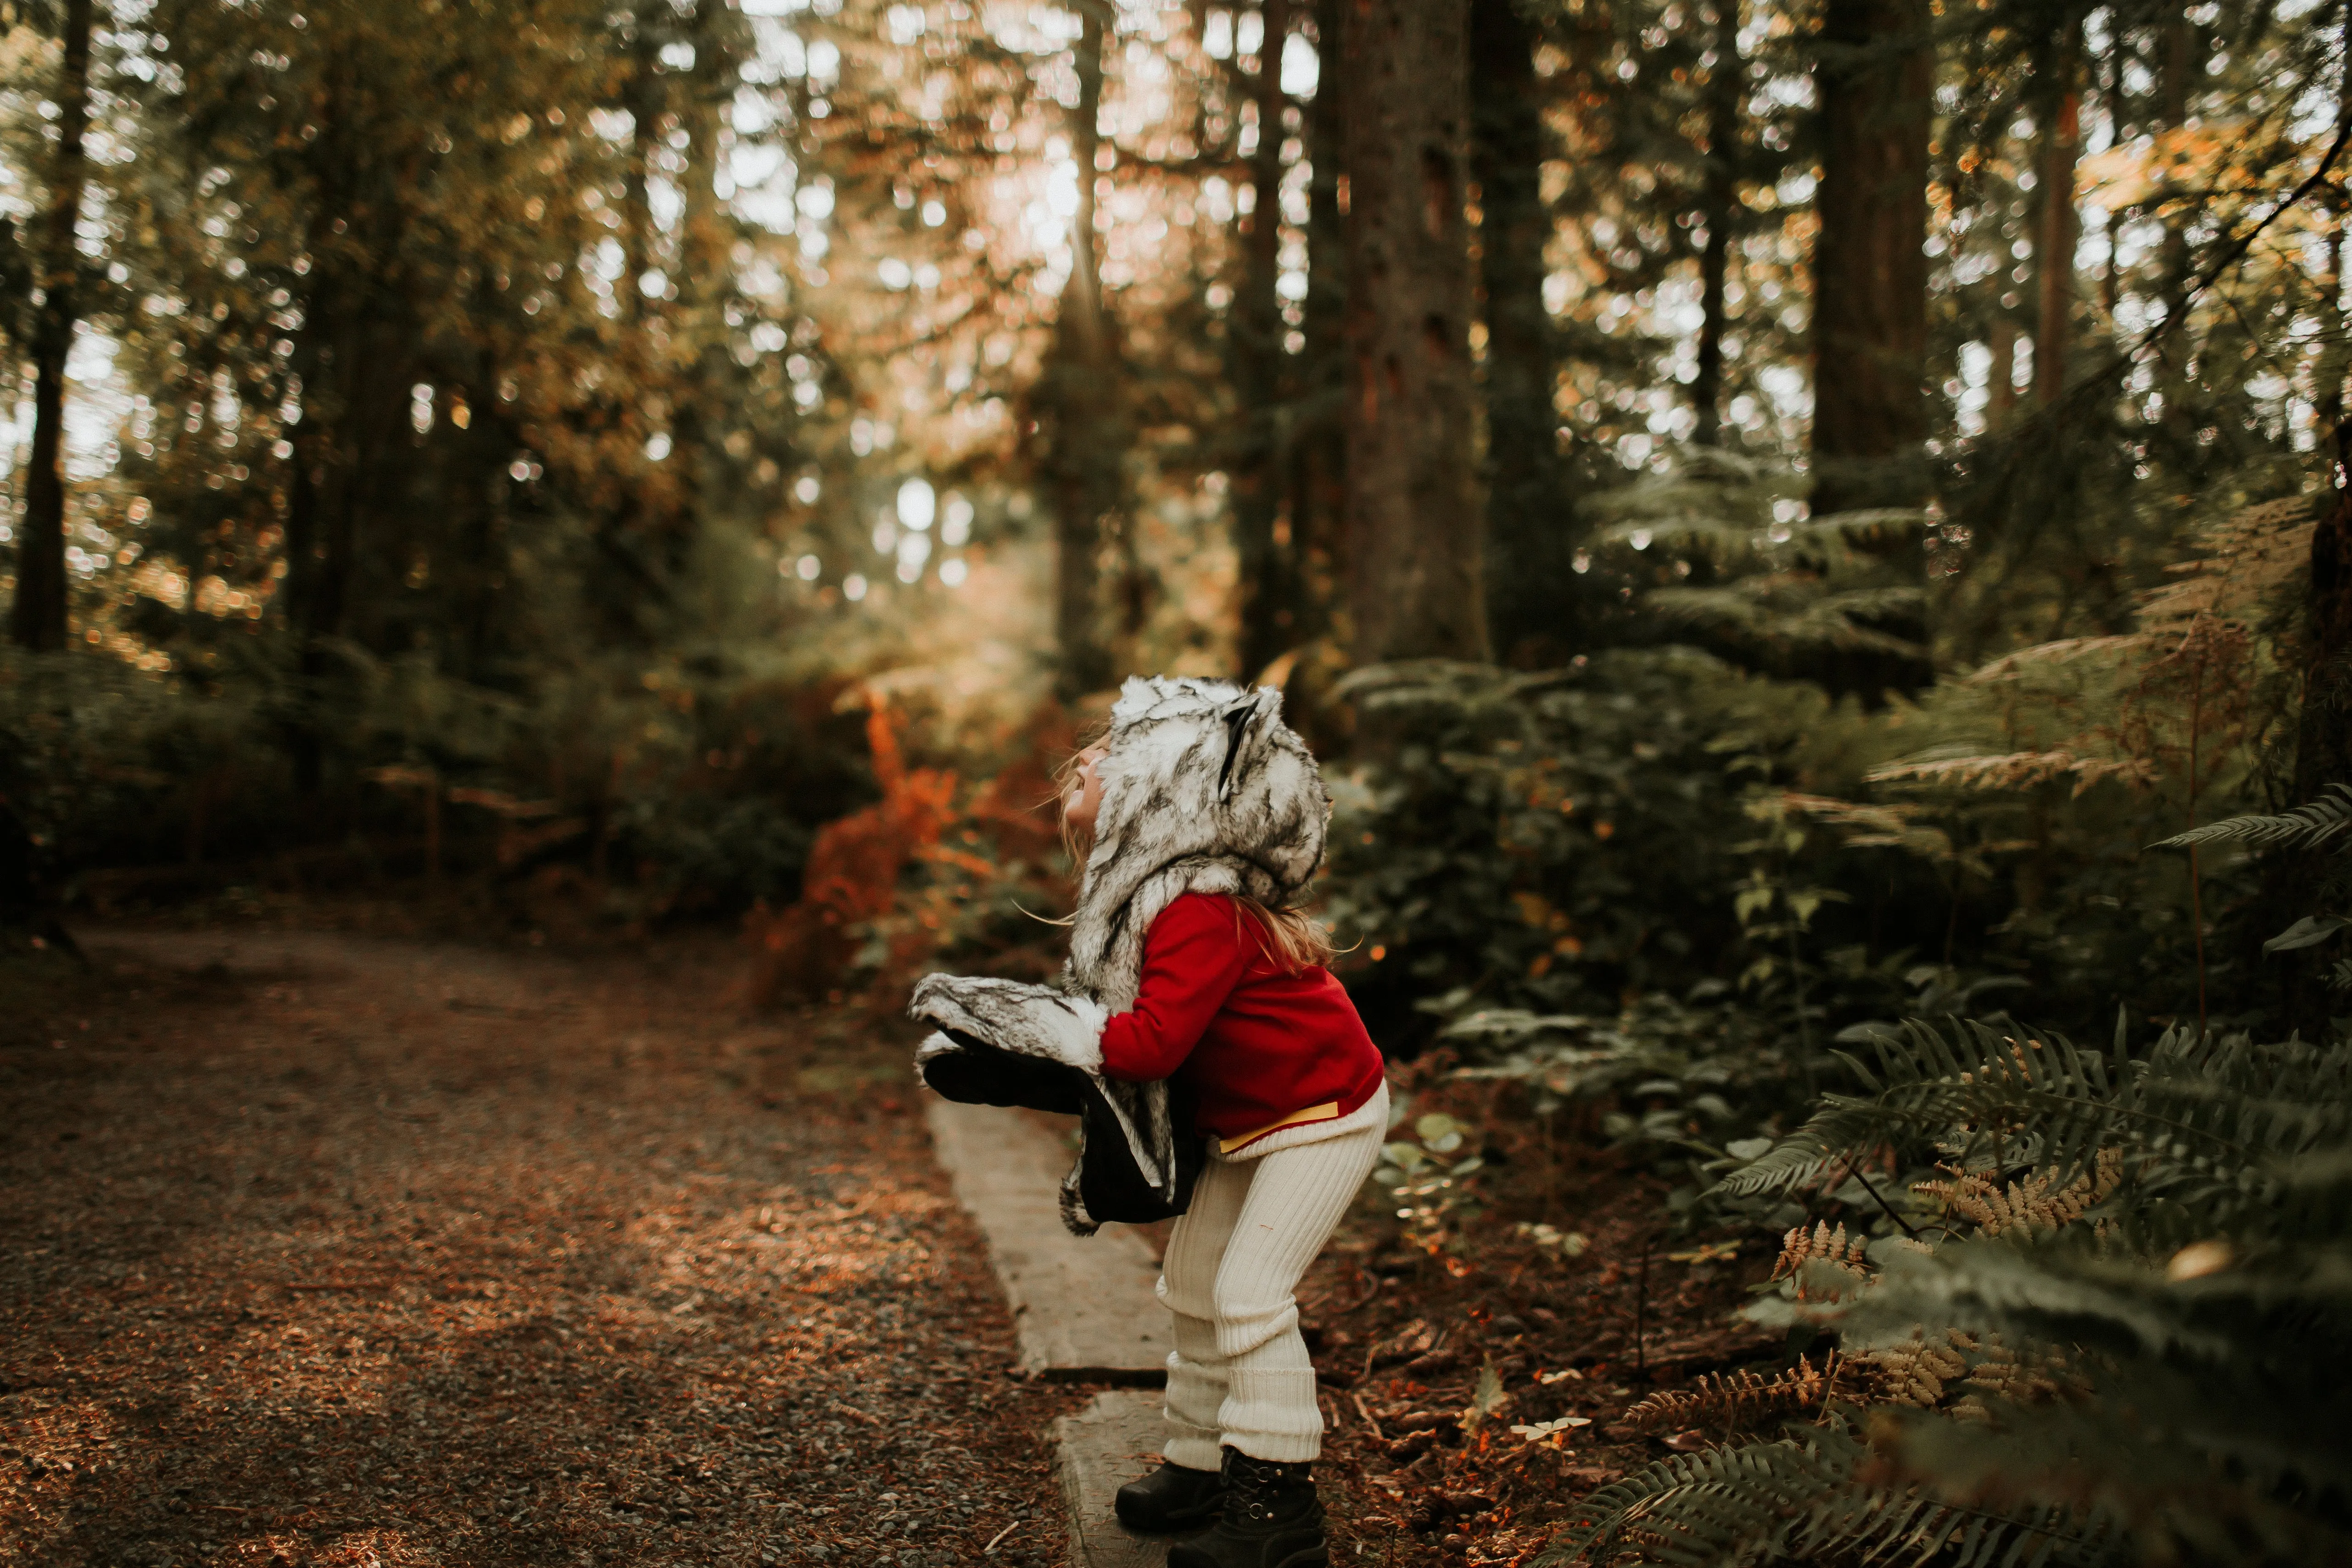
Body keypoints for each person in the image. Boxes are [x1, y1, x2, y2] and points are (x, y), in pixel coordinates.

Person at [908, 676, 1387, 1568]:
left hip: (1324, 1111)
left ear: (1171, 787)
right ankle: (1201, 1461)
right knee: (1195, 1284)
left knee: (1249, 1294)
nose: (1088, 753)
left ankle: (1280, 1511)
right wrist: (1026, 1054)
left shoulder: (1197, 906)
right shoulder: (1150, 902)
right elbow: (1127, 1049)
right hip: (1252, 1116)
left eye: (1119, 751)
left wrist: (1023, 1033)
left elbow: (1148, 1047)